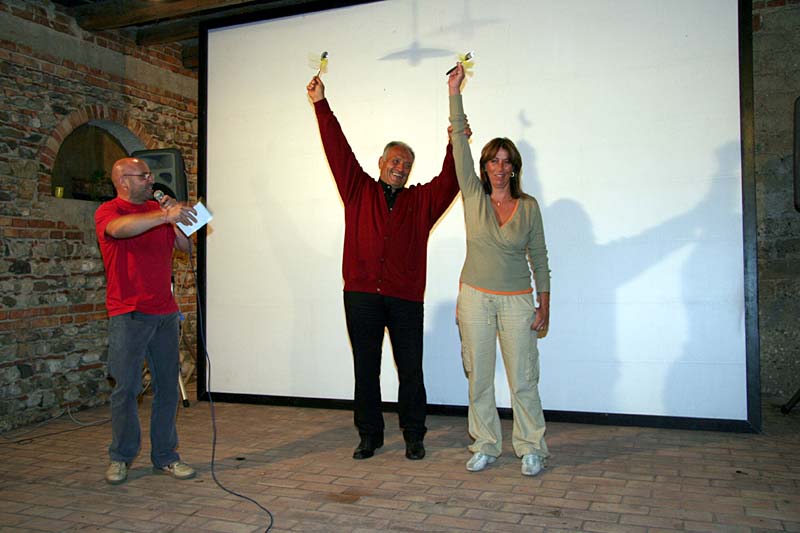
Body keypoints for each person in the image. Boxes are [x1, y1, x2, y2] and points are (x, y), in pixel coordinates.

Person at [306, 75, 460, 461]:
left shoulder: (421, 202)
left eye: (406, 164)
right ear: (381, 163)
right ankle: (369, 435)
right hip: (361, 296)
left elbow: (451, 180)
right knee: (366, 369)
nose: (400, 167)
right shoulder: (357, 189)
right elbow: (337, 150)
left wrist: (455, 141)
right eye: (395, 160)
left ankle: (414, 435)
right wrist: (321, 104)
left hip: (405, 299)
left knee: (411, 371)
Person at [447, 64, 552, 476]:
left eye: (507, 162)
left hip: (517, 302)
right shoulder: (473, 196)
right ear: (485, 166)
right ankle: (486, 444)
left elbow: (540, 258)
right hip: (475, 296)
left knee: (523, 379)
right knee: (479, 378)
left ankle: (531, 447)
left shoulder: (528, 207)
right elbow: (459, 145)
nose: (500, 167)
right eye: (493, 160)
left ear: (515, 167)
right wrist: (455, 92)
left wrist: (544, 304)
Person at [95, 157, 198, 485]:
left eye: (150, 174)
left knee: (168, 387)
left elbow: (186, 247)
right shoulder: (110, 211)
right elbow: (119, 230)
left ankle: (165, 456)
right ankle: (121, 456)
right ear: (123, 181)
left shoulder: (159, 210)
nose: (151, 179)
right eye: (144, 175)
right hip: (128, 313)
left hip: (164, 312)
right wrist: (164, 215)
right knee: (127, 388)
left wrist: (177, 221)